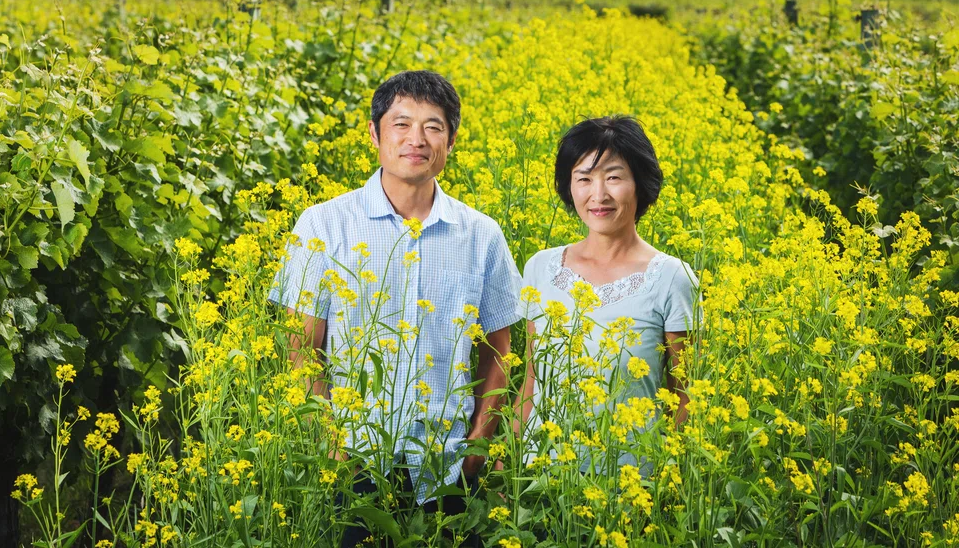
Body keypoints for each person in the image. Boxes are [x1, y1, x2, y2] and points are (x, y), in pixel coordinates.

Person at [268, 70, 521, 547]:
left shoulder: (481, 234)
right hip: (355, 462)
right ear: (374, 133)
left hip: (448, 467)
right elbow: (302, 345)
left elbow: (500, 352)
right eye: (401, 124)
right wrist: (332, 443)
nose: (416, 139)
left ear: (451, 139)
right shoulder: (323, 223)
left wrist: (476, 449)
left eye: (433, 126)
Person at [510, 114, 700, 473]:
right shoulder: (540, 267)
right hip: (543, 486)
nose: (599, 195)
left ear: (639, 184)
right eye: (584, 178)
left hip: (629, 489)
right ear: (569, 186)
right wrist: (509, 467)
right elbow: (532, 380)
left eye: (614, 177)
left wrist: (670, 487)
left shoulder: (672, 277)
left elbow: (684, 397)